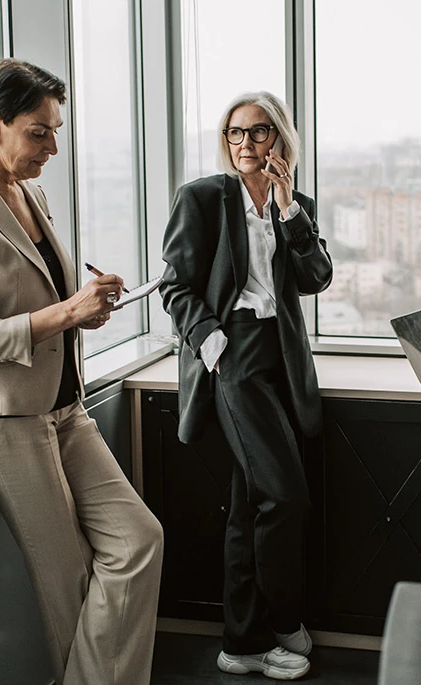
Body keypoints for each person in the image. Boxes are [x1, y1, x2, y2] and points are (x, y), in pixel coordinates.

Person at [0, 58, 163, 685]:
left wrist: (85, 312)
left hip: (64, 407)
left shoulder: (32, 194)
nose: (52, 148)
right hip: (1, 417)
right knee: (67, 581)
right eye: (39, 132)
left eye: (56, 132)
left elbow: (41, 306)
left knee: (138, 539)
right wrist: (66, 311)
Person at [160, 91, 332, 681]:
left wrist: (288, 209)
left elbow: (316, 278)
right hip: (232, 356)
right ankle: (280, 622)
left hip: (281, 360)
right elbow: (175, 286)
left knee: (250, 503)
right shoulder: (203, 197)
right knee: (285, 498)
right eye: (235, 132)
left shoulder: (295, 204)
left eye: (259, 131)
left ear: (281, 139)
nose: (246, 143)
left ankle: (243, 641)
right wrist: (213, 345)